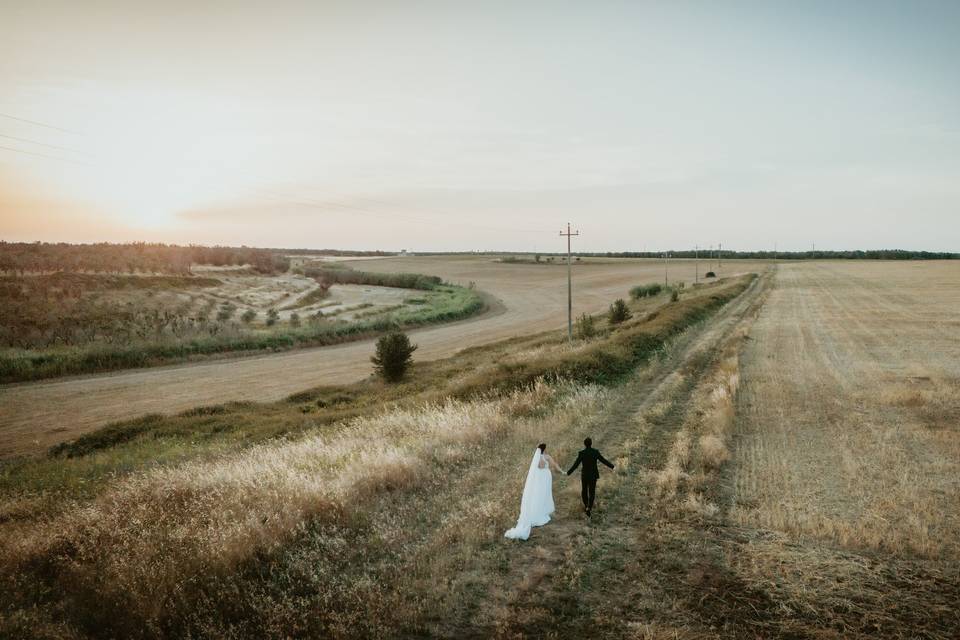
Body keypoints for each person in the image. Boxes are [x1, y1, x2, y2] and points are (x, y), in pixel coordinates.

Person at [504, 443, 564, 540]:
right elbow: (553, 465)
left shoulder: (536, 458)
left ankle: (537, 511)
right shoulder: (546, 457)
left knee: (539, 496)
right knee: (544, 496)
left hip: (539, 479)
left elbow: (537, 468)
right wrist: (562, 471)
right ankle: (541, 513)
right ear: (544, 449)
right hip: (545, 479)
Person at [566, 437, 614, 517]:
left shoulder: (582, 453)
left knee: (584, 491)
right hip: (593, 475)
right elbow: (603, 460)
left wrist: (569, 472)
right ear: (591, 443)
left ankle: (586, 506)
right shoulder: (595, 452)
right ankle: (589, 507)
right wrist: (612, 466)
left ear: (584, 444)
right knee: (592, 492)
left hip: (585, 475)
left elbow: (576, 464)